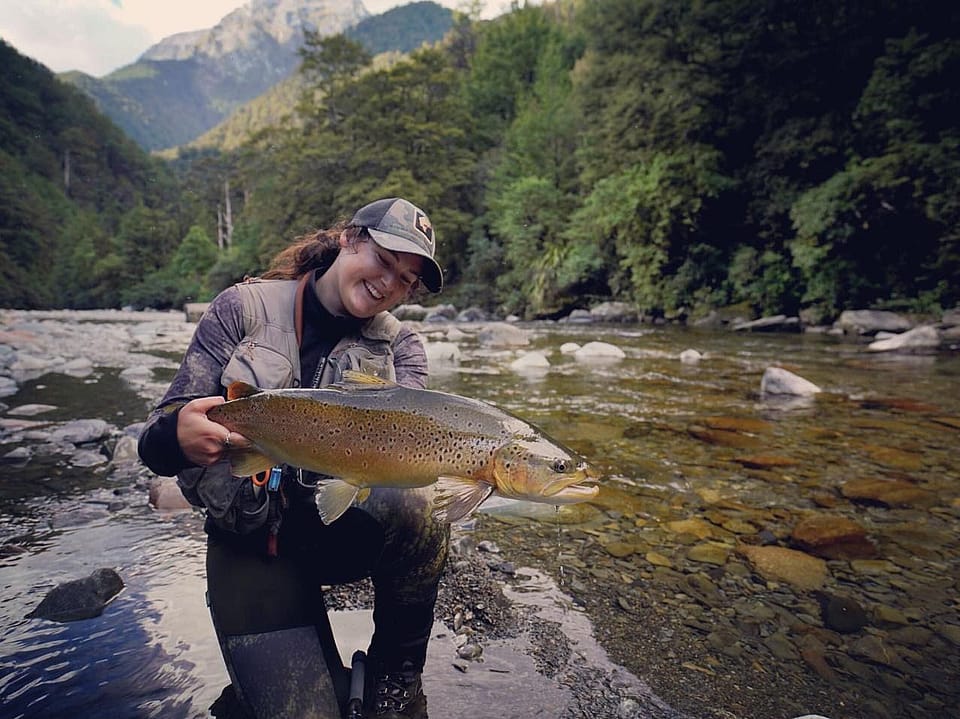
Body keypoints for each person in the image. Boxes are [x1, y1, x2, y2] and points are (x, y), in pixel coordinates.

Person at [137, 197, 447, 719]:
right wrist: (177, 435)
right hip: (250, 543)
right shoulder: (241, 308)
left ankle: (398, 676)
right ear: (350, 238)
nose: (389, 284)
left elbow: (408, 461)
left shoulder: (403, 348)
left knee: (422, 503)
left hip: (339, 534)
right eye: (385, 260)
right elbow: (155, 445)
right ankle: (260, 686)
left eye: (406, 280)